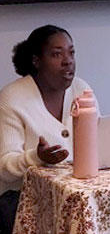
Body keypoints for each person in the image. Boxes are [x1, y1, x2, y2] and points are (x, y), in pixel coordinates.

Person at [0, 25, 93, 234]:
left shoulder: (82, 89)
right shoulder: (11, 99)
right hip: (20, 199)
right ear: (36, 60)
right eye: (56, 54)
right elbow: (4, 167)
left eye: (72, 52)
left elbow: (99, 140)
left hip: (72, 197)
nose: (68, 60)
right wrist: (37, 157)